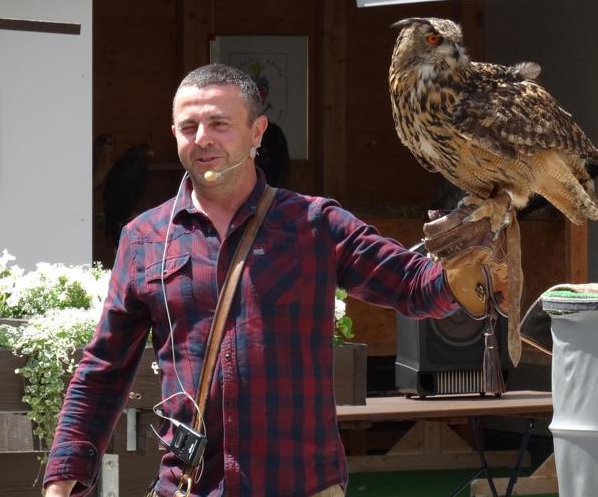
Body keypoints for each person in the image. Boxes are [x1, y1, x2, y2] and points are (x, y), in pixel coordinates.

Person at [43, 63, 505, 497]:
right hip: (191, 486)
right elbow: (102, 371)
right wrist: (63, 478)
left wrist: (466, 270)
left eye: (220, 124)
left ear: (256, 132)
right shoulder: (145, 238)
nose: (203, 139)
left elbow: (412, 284)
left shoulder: (314, 223)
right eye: (189, 127)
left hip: (301, 484)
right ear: (174, 135)